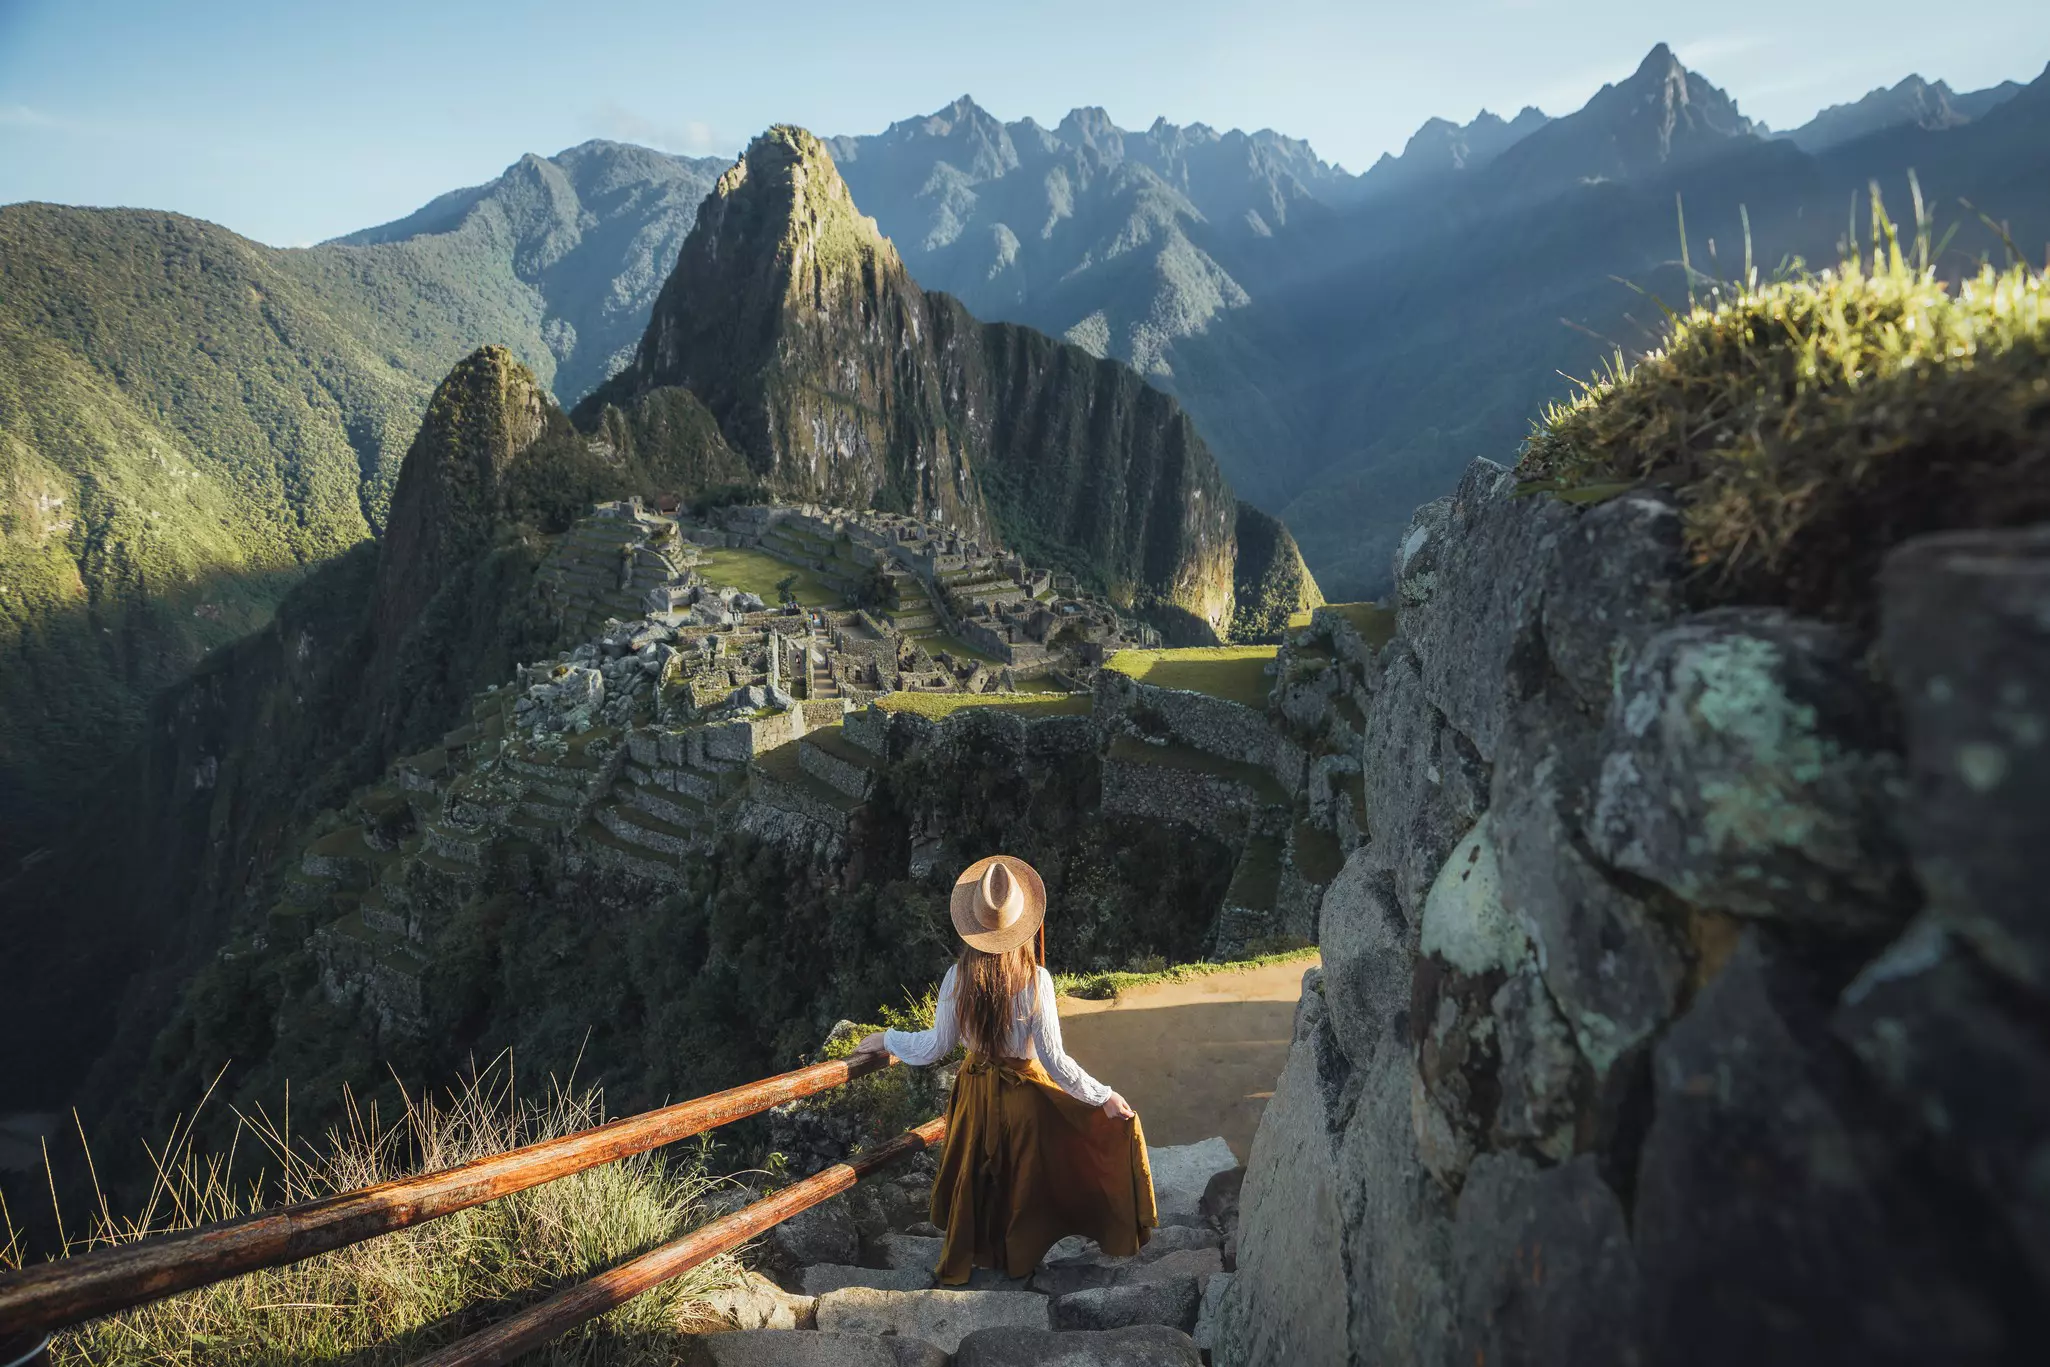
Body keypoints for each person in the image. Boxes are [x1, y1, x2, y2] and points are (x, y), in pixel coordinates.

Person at [851, 854, 1157, 1285]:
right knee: (1022, 1180)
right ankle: (1018, 1263)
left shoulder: (957, 977)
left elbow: (935, 1046)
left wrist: (888, 1038)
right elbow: (1054, 1060)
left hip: (975, 1094)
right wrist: (1102, 1095)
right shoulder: (1036, 980)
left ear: (972, 927)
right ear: (1022, 925)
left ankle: (978, 1254)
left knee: (980, 1173)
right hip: (1024, 1097)